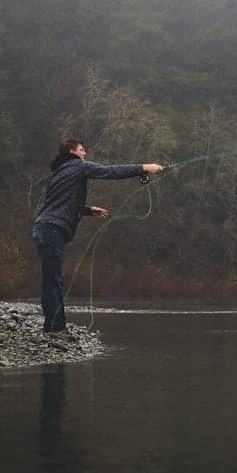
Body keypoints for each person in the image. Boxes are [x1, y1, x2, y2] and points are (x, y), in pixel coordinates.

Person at [31, 139, 164, 337]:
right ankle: (55, 329)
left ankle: (54, 326)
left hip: (44, 228)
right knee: (53, 280)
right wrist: (144, 167)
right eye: (82, 150)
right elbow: (110, 172)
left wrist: (87, 210)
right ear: (72, 152)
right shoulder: (77, 166)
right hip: (52, 230)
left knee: (52, 279)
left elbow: (58, 203)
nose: (85, 154)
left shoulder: (59, 172)